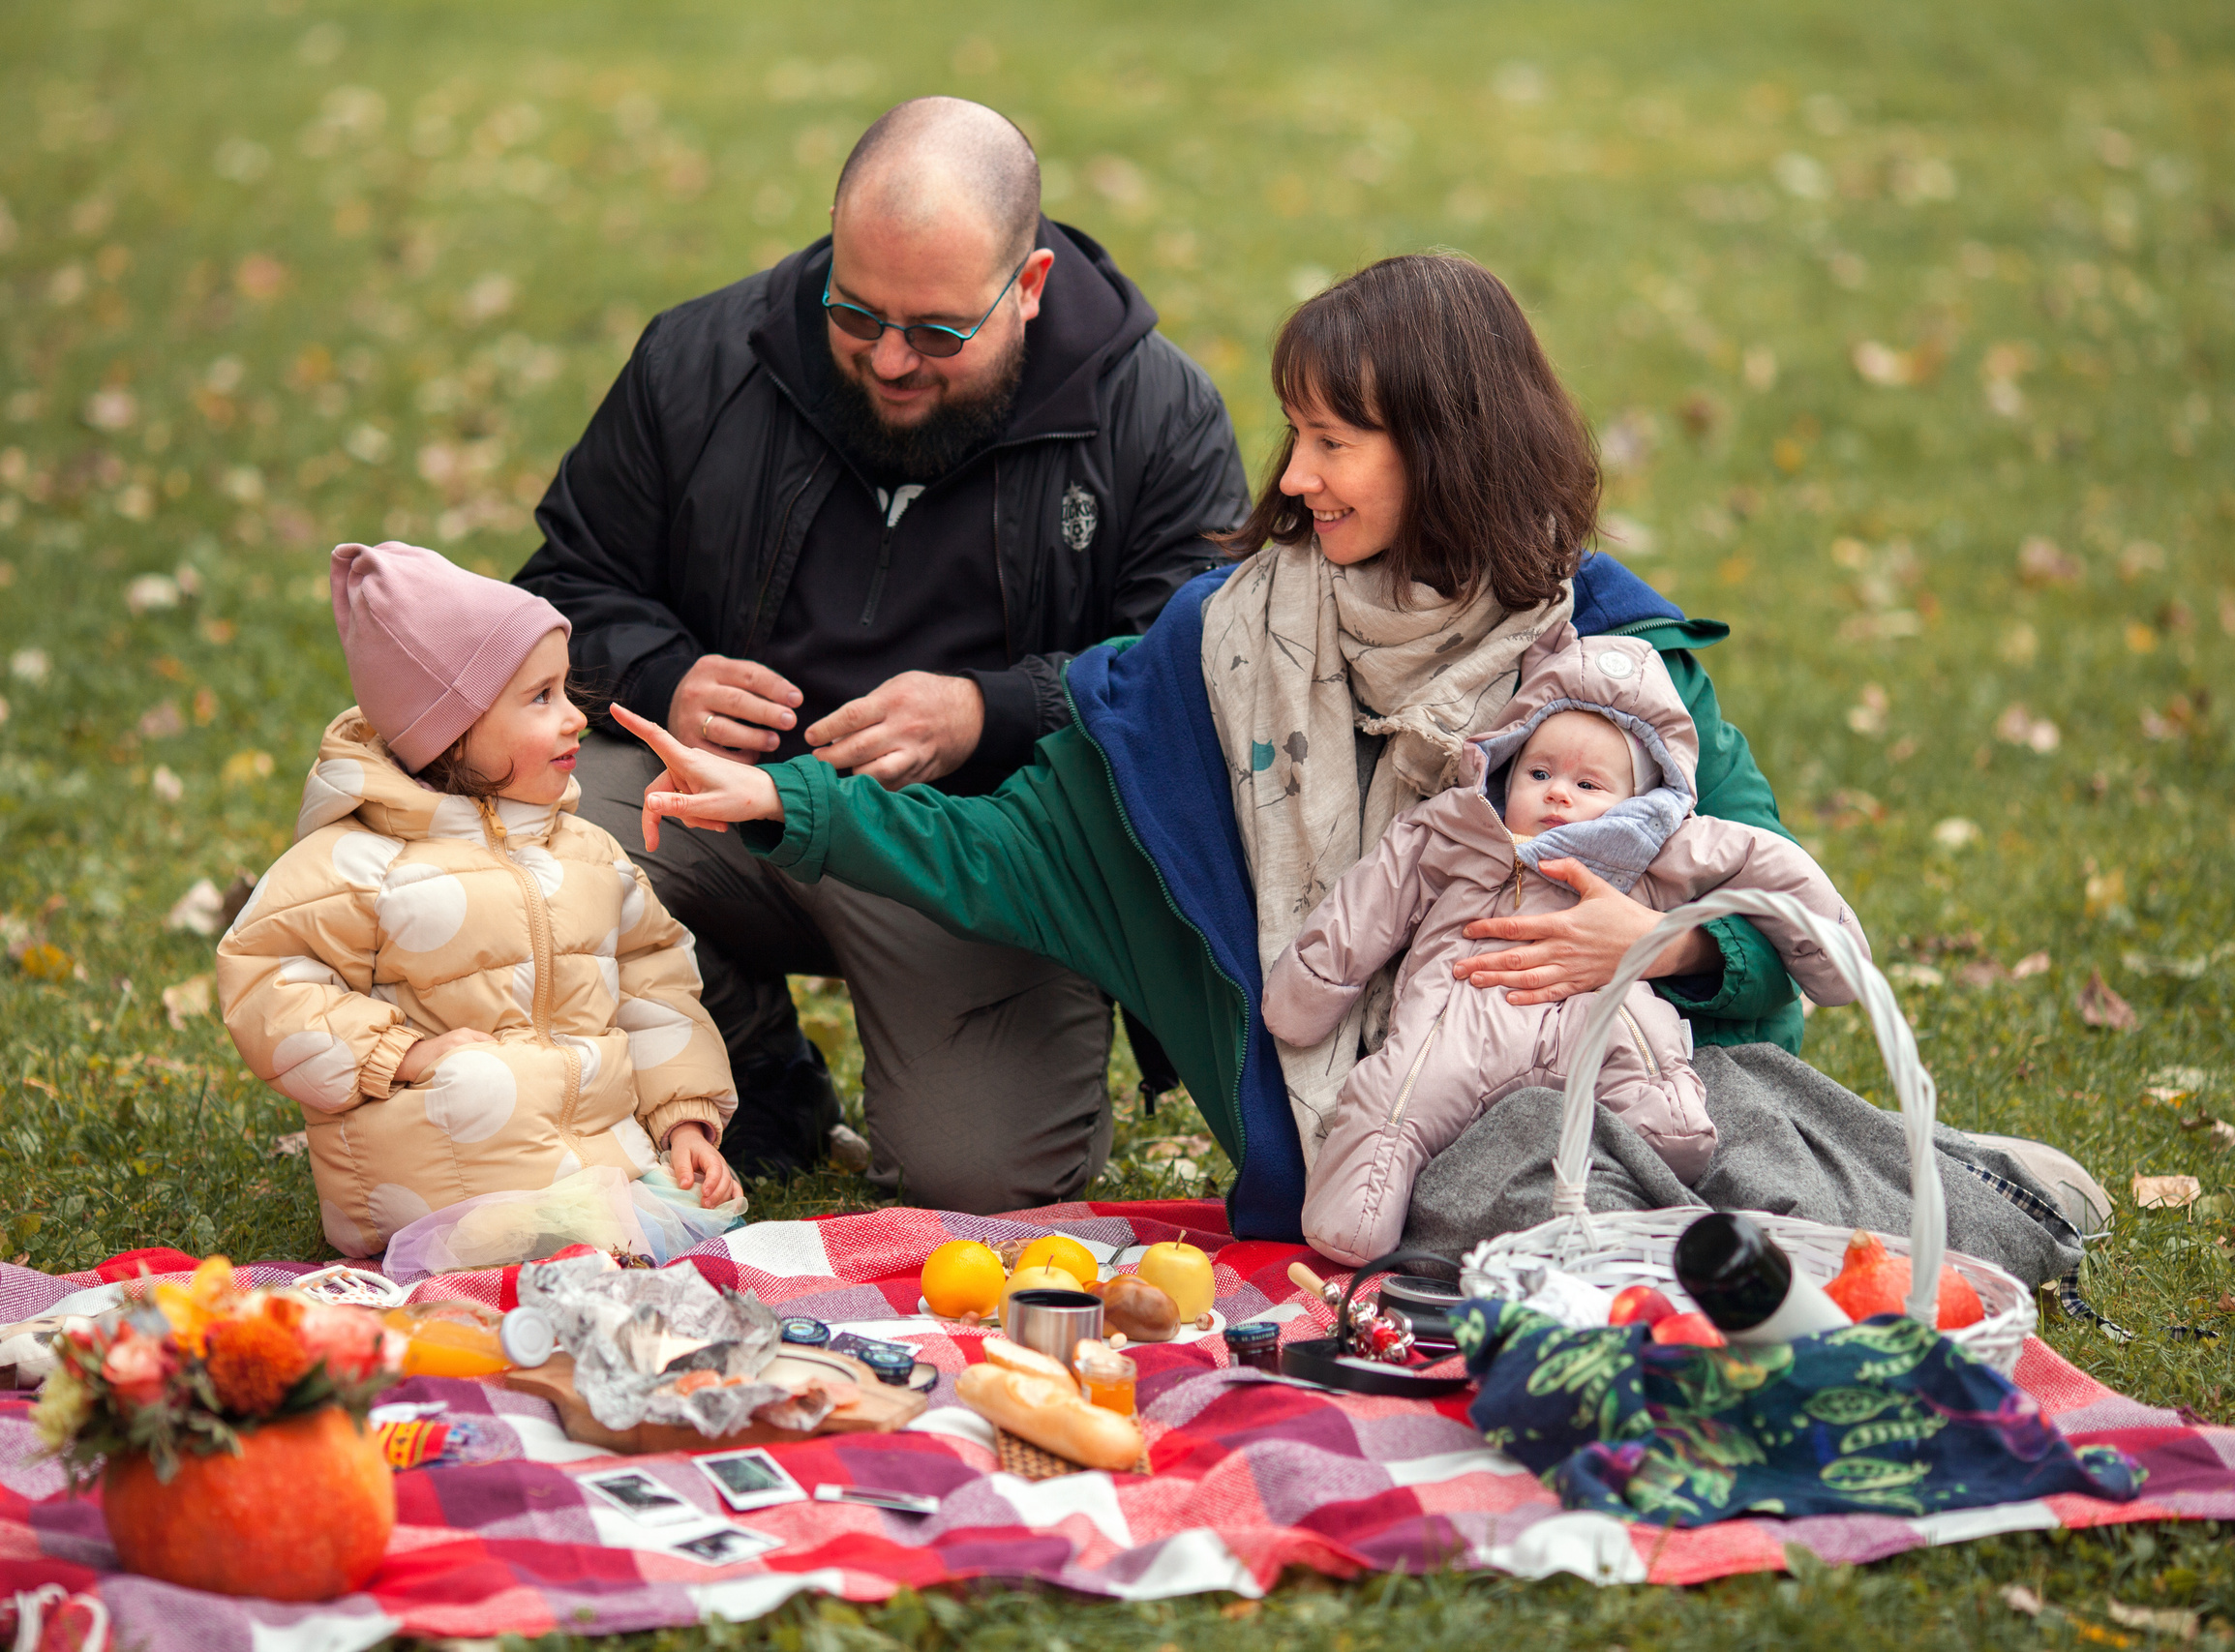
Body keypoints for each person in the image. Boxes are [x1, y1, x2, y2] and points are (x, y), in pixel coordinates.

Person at [611, 252, 2097, 1287]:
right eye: (1297, 433)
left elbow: (1779, 944)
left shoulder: (1619, 662)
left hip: (1596, 1077)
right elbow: (1018, 850)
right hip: (1364, 1145)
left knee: (1706, 1134)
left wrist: (1652, 938)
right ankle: (1853, 1224)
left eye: (1334, 439)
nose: (1298, 475)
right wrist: (790, 804)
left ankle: (1961, 1197)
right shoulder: (1213, 653)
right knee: (1510, 1203)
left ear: (1446, 447)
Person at [513, 96, 1249, 1205]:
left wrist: (988, 712)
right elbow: (562, 588)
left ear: (1030, 287)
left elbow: (1192, 678)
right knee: (513, 838)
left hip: (973, 850)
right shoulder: (701, 359)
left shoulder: (1153, 414)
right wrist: (669, 672)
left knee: (985, 1172)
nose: (891, 360)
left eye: (938, 333)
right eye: (855, 316)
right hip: (716, 802)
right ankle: (752, 1066)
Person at [1265, 625, 1872, 1265]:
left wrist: (1827, 949)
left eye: (1589, 785)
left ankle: (1662, 1136)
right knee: (1397, 1097)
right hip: (1464, 1017)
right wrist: (1313, 979)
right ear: (1506, 764)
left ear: (1639, 800)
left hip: (1598, 1015)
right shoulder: (1463, 831)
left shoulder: (1657, 848)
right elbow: (1376, 895)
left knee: (1653, 1076)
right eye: (1540, 771)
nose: (1557, 792)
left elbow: (1767, 864)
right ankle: (1359, 1217)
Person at [218, 541, 740, 1262]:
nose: (575, 718)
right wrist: (400, 1053)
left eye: (565, 689)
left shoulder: (588, 855)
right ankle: (524, 1246)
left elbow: (657, 988)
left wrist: (683, 1119)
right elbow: (266, 980)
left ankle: (600, 1226)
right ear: (451, 728)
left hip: (600, 1165)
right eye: (540, 698)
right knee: (483, 1090)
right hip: (438, 1188)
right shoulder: (362, 862)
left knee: (693, 1228)